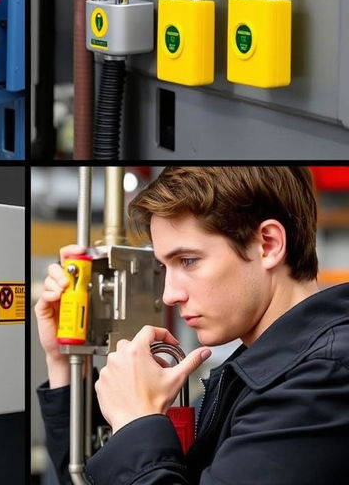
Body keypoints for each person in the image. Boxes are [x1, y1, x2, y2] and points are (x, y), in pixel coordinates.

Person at [35, 166, 349, 484]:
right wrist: (65, 363)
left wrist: (136, 421)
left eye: (188, 261)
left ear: (267, 244)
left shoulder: (323, 381)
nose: (170, 294)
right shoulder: (253, 375)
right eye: (165, 266)